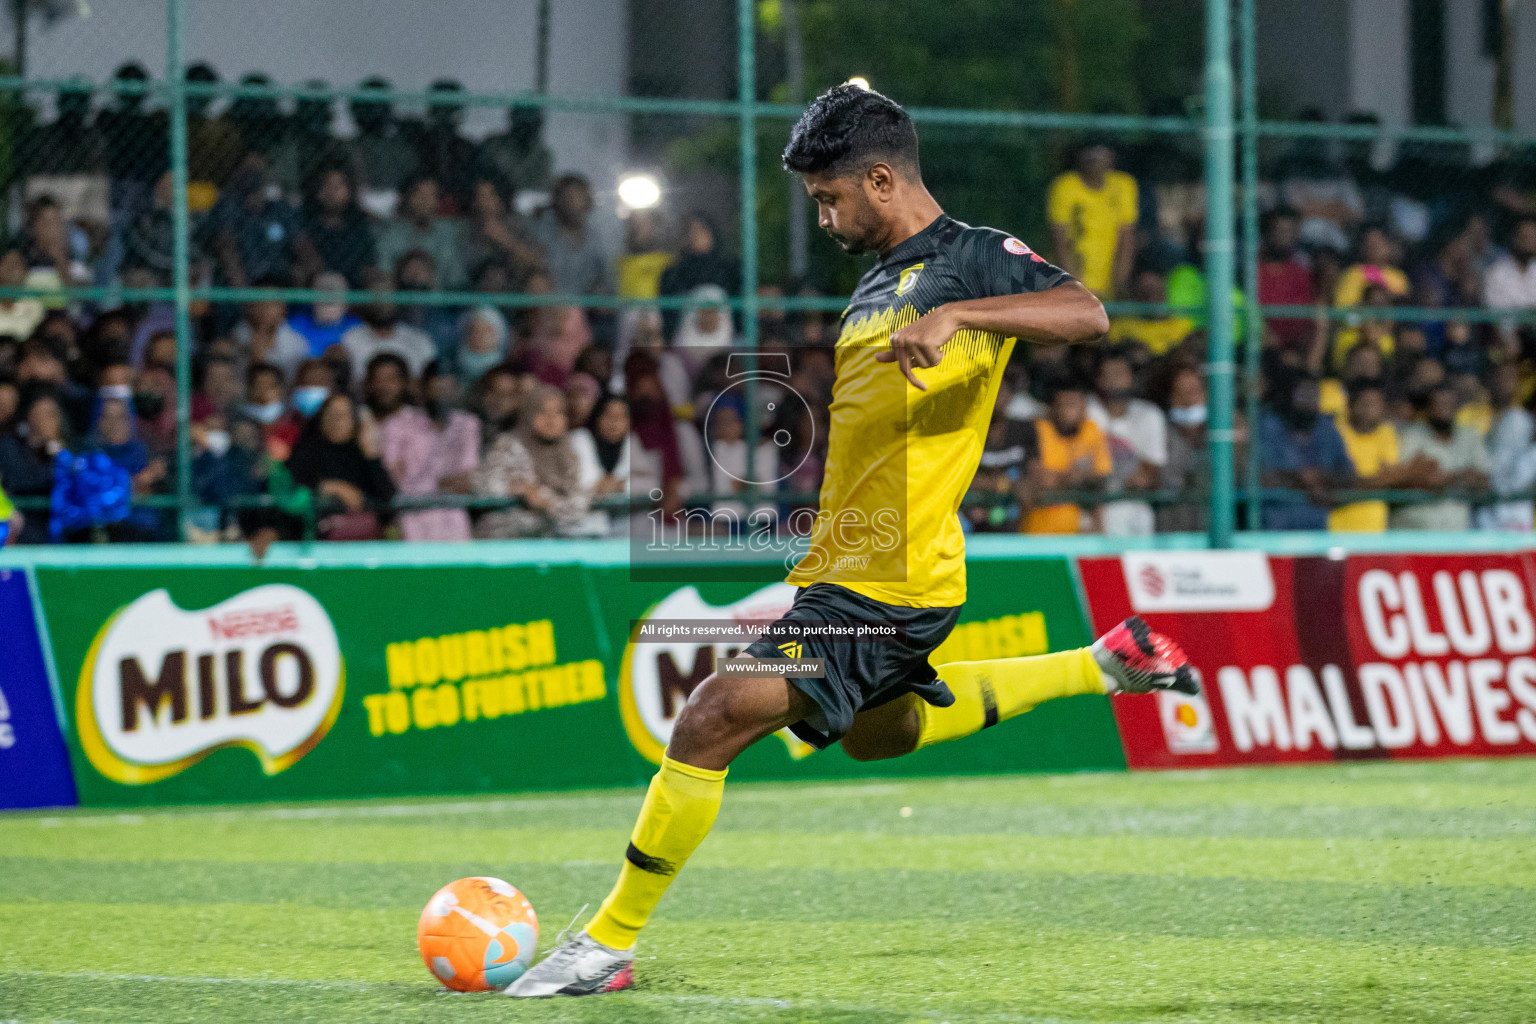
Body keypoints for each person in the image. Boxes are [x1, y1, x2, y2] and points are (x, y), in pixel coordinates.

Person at [507, 84, 1196, 998]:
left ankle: (605, 943)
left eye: (830, 198)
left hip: (890, 581)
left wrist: (961, 316)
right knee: (884, 737)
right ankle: (1100, 666)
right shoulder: (875, 281)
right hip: (854, 569)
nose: (824, 218)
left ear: (880, 179)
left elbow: (1088, 313)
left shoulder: (972, 258)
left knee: (712, 715)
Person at [379, 359, 480, 542]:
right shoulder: (398, 425)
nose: (442, 397)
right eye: (436, 390)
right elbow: (392, 477)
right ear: (422, 390)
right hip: (409, 511)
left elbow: (465, 479)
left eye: (447, 390)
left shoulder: (467, 424)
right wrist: (437, 484)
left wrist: (428, 484)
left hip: (453, 511)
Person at [473, 382, 589, 538]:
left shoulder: (568, 455)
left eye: (558, 413)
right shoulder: (508, 446)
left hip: (549, 544)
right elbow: (482, 485)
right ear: (529, 414)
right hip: (501, 544)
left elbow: (578, 506)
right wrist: (515, 490)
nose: (551, 420)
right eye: (543, 413)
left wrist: (545, 500)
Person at [285, 392, 395, 540]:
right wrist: (330, 487)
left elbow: (387, 501)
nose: (336, 421)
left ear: (354, 420)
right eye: (331, 414)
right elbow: (288, 491)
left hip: (361, 546)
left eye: (343, 415)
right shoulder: (305, 451)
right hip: (313, 542)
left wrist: (371, 455)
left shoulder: (364, 455)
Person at [1258, 375, 1355, 529]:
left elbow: (1348, 474)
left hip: (1317, 528)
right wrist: (1299, 478)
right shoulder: (1268, 426)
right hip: (1276, 528)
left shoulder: (1326, 428)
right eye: (1303, 395)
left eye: (1314, 395)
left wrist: (1321, 477)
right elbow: (1258, 477)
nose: (1309, 401)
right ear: (1289, 396)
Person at [1391, 384, 1491, 531]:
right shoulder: (1410, 436)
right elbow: (1406, 479)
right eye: (1439, 405)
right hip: (1414, 532)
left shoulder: (1470, 436)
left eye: (1449, 405)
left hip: (1457, 533)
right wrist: (1459, 475)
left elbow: (1484, 479)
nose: (1444, 410)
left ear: (1457, 408)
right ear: (1428, 408)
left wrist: (1441, 479)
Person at [1046, 140, 1138, 299]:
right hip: (1075, 284)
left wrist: (1119, 283)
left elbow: (1127, 238)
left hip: (1110, 287)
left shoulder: (1124, 185)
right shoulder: (1065, 186)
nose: (1095, 157)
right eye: (1089, 150)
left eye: (1101, 150)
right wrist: (1076, 286)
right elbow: (1060, 240)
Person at [1087, 353, 1166, 535]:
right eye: (1108, 375)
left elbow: (1151, 472)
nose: (1114, 381)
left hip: (1134, 504)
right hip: (1093, 504)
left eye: (1120, 374)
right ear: (1098, 380)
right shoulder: (1087, 410)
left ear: (1131, 379)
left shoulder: (1149, 414)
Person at [1020, 382, 1112, 534]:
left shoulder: (1091, 430)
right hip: (1037, 532)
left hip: (1079, 533)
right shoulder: (1038, 429)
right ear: (1052, 408)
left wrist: (1063, 478)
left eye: (1075, 404)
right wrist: (1073, 478)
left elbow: (1101, 475)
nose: (1070, 410)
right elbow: (1039, 480)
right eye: (1065, 404)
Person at [1328, 382, 1407, 532]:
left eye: (1376, 404)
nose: (1369, 409)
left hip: (1374, 530)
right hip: (1337, 528)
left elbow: (1390, 475)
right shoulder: (1335, 431)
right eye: (1364, 403)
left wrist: (1373, 481)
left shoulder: (1386, 432)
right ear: (1351, 405)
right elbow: (1341, 482)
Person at [340, 267, 437, 379]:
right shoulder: (348, 340)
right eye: (375, 294)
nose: (382, 302)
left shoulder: (420, 341)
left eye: (388, 294)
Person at [375, 176, 467, 291]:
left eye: (430, 195)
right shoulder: (391, 234)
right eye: (419, 194)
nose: (425, 201)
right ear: (408, 198)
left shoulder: (449, 232)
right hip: (402, 302)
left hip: (443, 304)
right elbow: (384, 275)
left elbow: (457, 280)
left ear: (437, 201)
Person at [529, 174, 614, 298]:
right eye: (569, 198)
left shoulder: (595, 238)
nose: (575, 204)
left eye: (580, 197)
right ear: (558, 202)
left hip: (587, 309)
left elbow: (605, 277)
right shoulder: (542, 231)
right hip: (552, 307)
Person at [297, 165, 377, 286]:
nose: (331, 192)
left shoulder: (361, 227)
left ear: (349, 191)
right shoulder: (305, 225)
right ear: (318, 191)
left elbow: (369, 266)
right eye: (326, 185)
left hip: (354, 290)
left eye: (338, 187)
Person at [569, 394, 630, 536]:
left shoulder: (632, 443)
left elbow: (649, 483)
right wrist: (620, 484)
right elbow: (588, 483)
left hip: (622, 534)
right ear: (597, 417)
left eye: (621, 417)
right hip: (582, 531)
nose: (614, 422)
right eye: (609, 415)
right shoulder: (580, 438)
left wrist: (620, 485)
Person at [1485, 217, 1536, 358]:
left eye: (1533, 237)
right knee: (1509, 348)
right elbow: (1495, 314)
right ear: (1515, 239)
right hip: (1508, 335)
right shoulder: (1497, 272)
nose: (1530, 242)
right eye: (1526, 237)